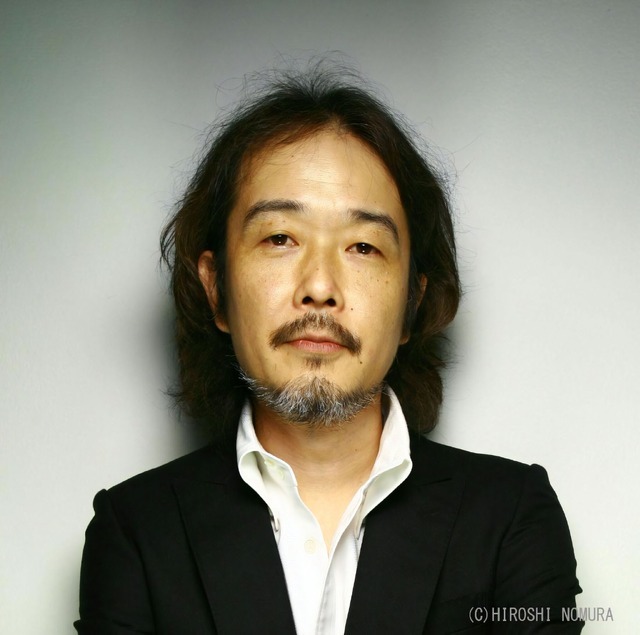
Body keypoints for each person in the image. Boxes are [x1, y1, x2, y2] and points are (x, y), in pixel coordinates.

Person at [75, 66, 583, 634]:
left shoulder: (511, 517)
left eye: (363, 246)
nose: (319, 286)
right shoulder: (136, 532)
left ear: (412, 303)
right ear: (216, 290)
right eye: (279, 238)